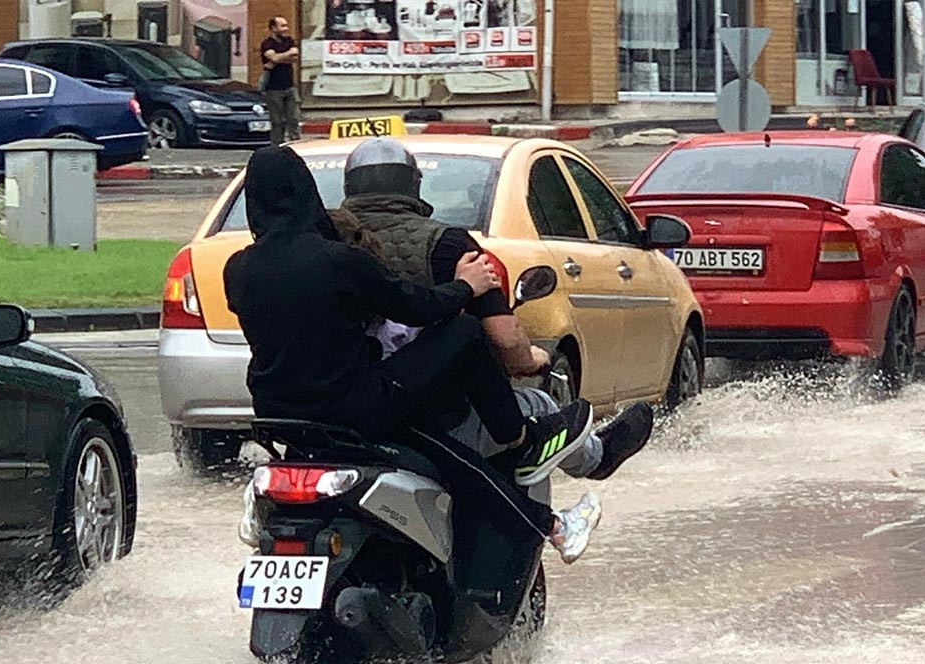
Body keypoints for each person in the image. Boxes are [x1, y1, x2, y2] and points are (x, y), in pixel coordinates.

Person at [225, 146, 602, 563]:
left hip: (280, 416)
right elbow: (415, 307)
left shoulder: (238, 269)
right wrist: (467, 286)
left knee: (445, 455)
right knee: (463, 335)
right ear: (306, 193)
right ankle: (522, 440)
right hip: (354, 409)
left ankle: (551, 524)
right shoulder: (340, 262)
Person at [337, 138, 655, 481]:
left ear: (349, 187)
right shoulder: (450, 247)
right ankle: (596, 460)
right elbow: (504, 339)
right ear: (413, 186)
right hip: (437, 419)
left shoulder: (324, 245)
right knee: (540, 406)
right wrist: (530, 359)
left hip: (337, 419)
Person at [260, 16, 301, 145]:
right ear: (273, 28)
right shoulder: (267, 43)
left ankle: (296, 144)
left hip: (289, 86)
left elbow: (294, 55)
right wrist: (282, 57)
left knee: (293, 118)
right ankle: (278, 145)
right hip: (273, 88)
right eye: (282, 26)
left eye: (286, 25)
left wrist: (277, 58)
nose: (286, 29)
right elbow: (274, 58)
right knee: (278, 121)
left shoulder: (289, 40)